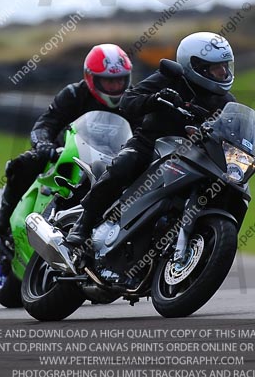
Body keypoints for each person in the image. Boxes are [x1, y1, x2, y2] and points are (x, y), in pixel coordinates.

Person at [65, 32, 237, 245]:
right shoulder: (170, 78)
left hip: (195, 156)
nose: (223, 72)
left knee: (225, 185)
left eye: (225, 66)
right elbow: (128, 101)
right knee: (124, 164)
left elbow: (232, 129)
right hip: (151, 145)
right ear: (197, 66)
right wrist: (155, 99)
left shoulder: (226, 101)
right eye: (216, 68)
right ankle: (84, 222)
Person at [0, 44, 133, 239]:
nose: (115, 87)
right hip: (67, 153)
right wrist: (43, 144)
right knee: (26, 162)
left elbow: (145, 129)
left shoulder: (133, 99)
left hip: (113, 159)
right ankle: (4, 214)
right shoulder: (73, 95)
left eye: (120, 81)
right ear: (91, 78)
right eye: (109, 82)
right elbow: (46, 124)